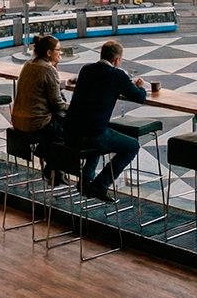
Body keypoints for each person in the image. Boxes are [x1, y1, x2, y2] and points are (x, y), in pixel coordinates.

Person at [64, 40, 146, 203]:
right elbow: (140, 97)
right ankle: (100, 186)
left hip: (69, 133)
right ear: (116, 60)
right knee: (132, 146)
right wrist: (141, 86)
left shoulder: (86, 69)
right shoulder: (117, 75)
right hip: (92, 135)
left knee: (98, 135)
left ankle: (85, 181)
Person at [11, 35, 68, 185]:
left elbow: (40, 85)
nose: (60, 53)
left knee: (58, 128)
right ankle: (52, 165)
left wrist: (59, 83)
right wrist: (76, 108)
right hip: (36, 125)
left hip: (17, 121)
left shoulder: (28, 64)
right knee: (70, 129)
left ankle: (52, 166)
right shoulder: (48, 69)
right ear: (49, 53)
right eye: (58, 50)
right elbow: (58, 104)